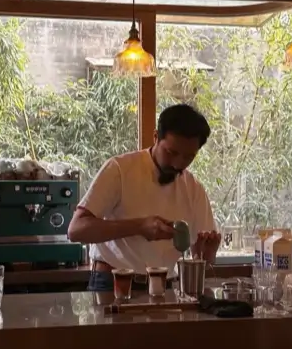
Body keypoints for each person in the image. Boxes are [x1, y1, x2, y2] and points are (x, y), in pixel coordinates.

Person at [68, 103, 221, 291]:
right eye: (171, 152)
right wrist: (139, 226)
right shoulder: (120, 169)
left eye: (189, 157)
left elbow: (201, 256)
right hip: (114, 282)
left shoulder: (194, 189)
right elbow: (76, 230)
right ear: (155, 137)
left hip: (165, 286)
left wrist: (208, 254)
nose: (178, 164)